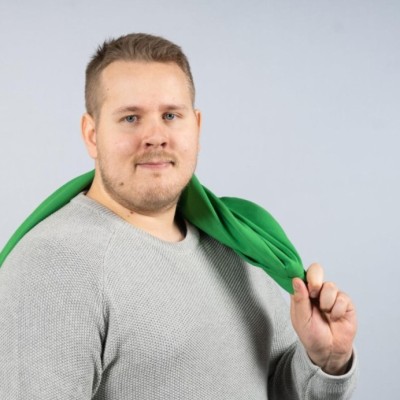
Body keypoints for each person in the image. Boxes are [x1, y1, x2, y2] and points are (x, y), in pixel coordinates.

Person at [0, 33, 357, 399]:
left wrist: (326, 361)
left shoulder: (236, 241)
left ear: (196, 127)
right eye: (130, 118)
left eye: (171, 115)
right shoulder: (54, 265)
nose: (156, 136)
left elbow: (278, 390)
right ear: (92, 134)